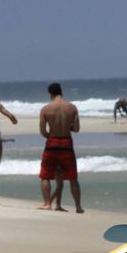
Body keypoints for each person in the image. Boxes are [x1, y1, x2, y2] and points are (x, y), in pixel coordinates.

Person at [38, 82, 83, 213]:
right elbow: (76, 129)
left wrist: (51, 136)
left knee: (45, 176)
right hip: (67, 143)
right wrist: (66, 128)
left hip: (52, 143)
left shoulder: (46, 109)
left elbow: (42, 131)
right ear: (61, 92)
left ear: (50, 93)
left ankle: (47, 203)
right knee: (73, 178)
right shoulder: (72, 108)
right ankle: (78, 207)